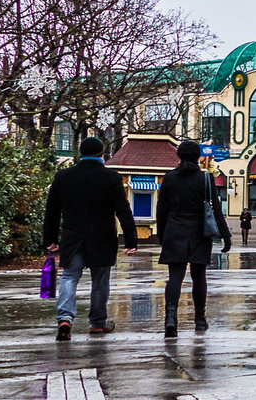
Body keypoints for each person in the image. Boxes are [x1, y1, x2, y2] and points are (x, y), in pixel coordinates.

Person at [42, 135, 137, 341]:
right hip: (102, 238)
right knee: (100, 281)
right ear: (101, 154)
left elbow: (52, 211)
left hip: (73, 237)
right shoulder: (111, 178)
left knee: (69, 277)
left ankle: (65, 319)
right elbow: (123, 210)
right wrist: (131, 239)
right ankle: (97, 323)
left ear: (81, 153)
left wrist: (49, 238)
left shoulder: (63, 177)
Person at [156, 141, 233, 337]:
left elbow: (161, 210)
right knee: (199, 277)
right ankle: (200, 320)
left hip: (174, 231)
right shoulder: (205, 179)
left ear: (179, 156)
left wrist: (162, 235)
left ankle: (171, 319)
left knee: (175, 277)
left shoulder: (170, 178)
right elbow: (215, 209)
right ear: (198, 156)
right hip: (200, 233)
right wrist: (225, 235)